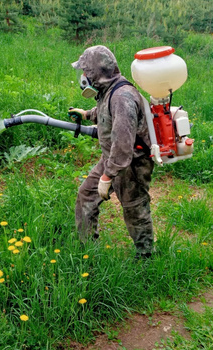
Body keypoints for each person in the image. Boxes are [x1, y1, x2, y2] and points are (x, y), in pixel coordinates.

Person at [69, 45, 155, 259]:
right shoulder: (109, 90)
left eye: (85, 71)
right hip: (112, 158)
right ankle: (87, 249)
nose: (83, 76)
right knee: (86, 194)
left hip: (131, 163)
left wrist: (107, 176)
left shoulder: (122, 97)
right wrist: (88, 114)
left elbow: (123, 145)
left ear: (96, 73)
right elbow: (106, 111)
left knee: (134, 206)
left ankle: (145, 257)